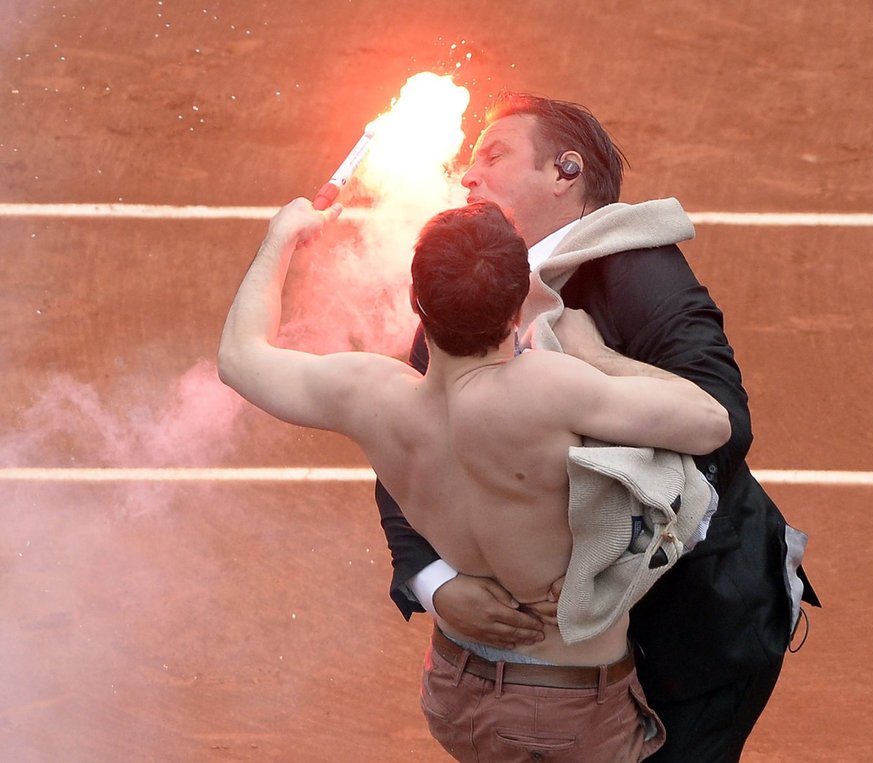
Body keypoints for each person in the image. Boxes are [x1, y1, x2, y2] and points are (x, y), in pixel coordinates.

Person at [374, 93, 821, 762]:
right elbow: (409, 442)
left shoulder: (638, 270)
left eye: (492, 157)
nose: (467, 176)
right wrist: (435, 581)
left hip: (701, 625)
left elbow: (723, 419)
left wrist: (607, 560)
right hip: (573, 667)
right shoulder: (468, 292)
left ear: (565, 172)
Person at [218, 197, 735, 761]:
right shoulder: (548, 386)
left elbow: (239, 358)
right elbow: (711, 422)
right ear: (519, 303)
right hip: (562, 710)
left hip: (453, 691)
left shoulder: (368, 393)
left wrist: (283, 235)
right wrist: (592, 354)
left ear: (418, 303)